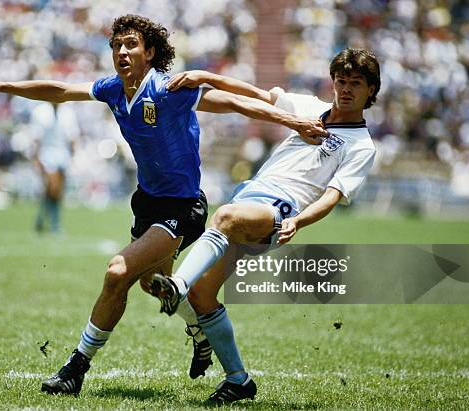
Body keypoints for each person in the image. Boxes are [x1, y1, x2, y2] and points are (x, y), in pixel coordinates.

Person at [0, 14, 328, 398]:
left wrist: (292, 122)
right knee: (152, 284)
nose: (121, 52)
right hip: (146, 202)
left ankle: (75, 368)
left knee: (118, 273)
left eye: (130, 44)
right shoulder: (113, 89)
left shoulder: (167, 89)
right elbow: (60, 90)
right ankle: (202, 335)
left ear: (150, 52)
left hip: (182, 208)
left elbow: (232, 103)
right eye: (116, 45)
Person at [150, 48, 380, 404]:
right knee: (203, 296)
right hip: (251, 195)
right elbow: (254, 93)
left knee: (224, 217)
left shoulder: (361, 146)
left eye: (356, 83)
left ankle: (178, 283)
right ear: (332, 81)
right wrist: (203, 75)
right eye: (341, 80)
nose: (346, 89)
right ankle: (238, 380)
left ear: (371, 91)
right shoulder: (308, 108)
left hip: (278, 210)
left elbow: (333, 196)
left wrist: (299, 221)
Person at [32, 103, 73, 234]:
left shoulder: (68, 113)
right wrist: (37, 158)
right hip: (47, 154)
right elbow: (37, 138)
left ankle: (40, 219)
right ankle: (55, 224)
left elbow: (72, 136)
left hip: (63, 154)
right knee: (53, 188)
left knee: (56, 192)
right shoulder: (40, 112)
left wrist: (73, 155)